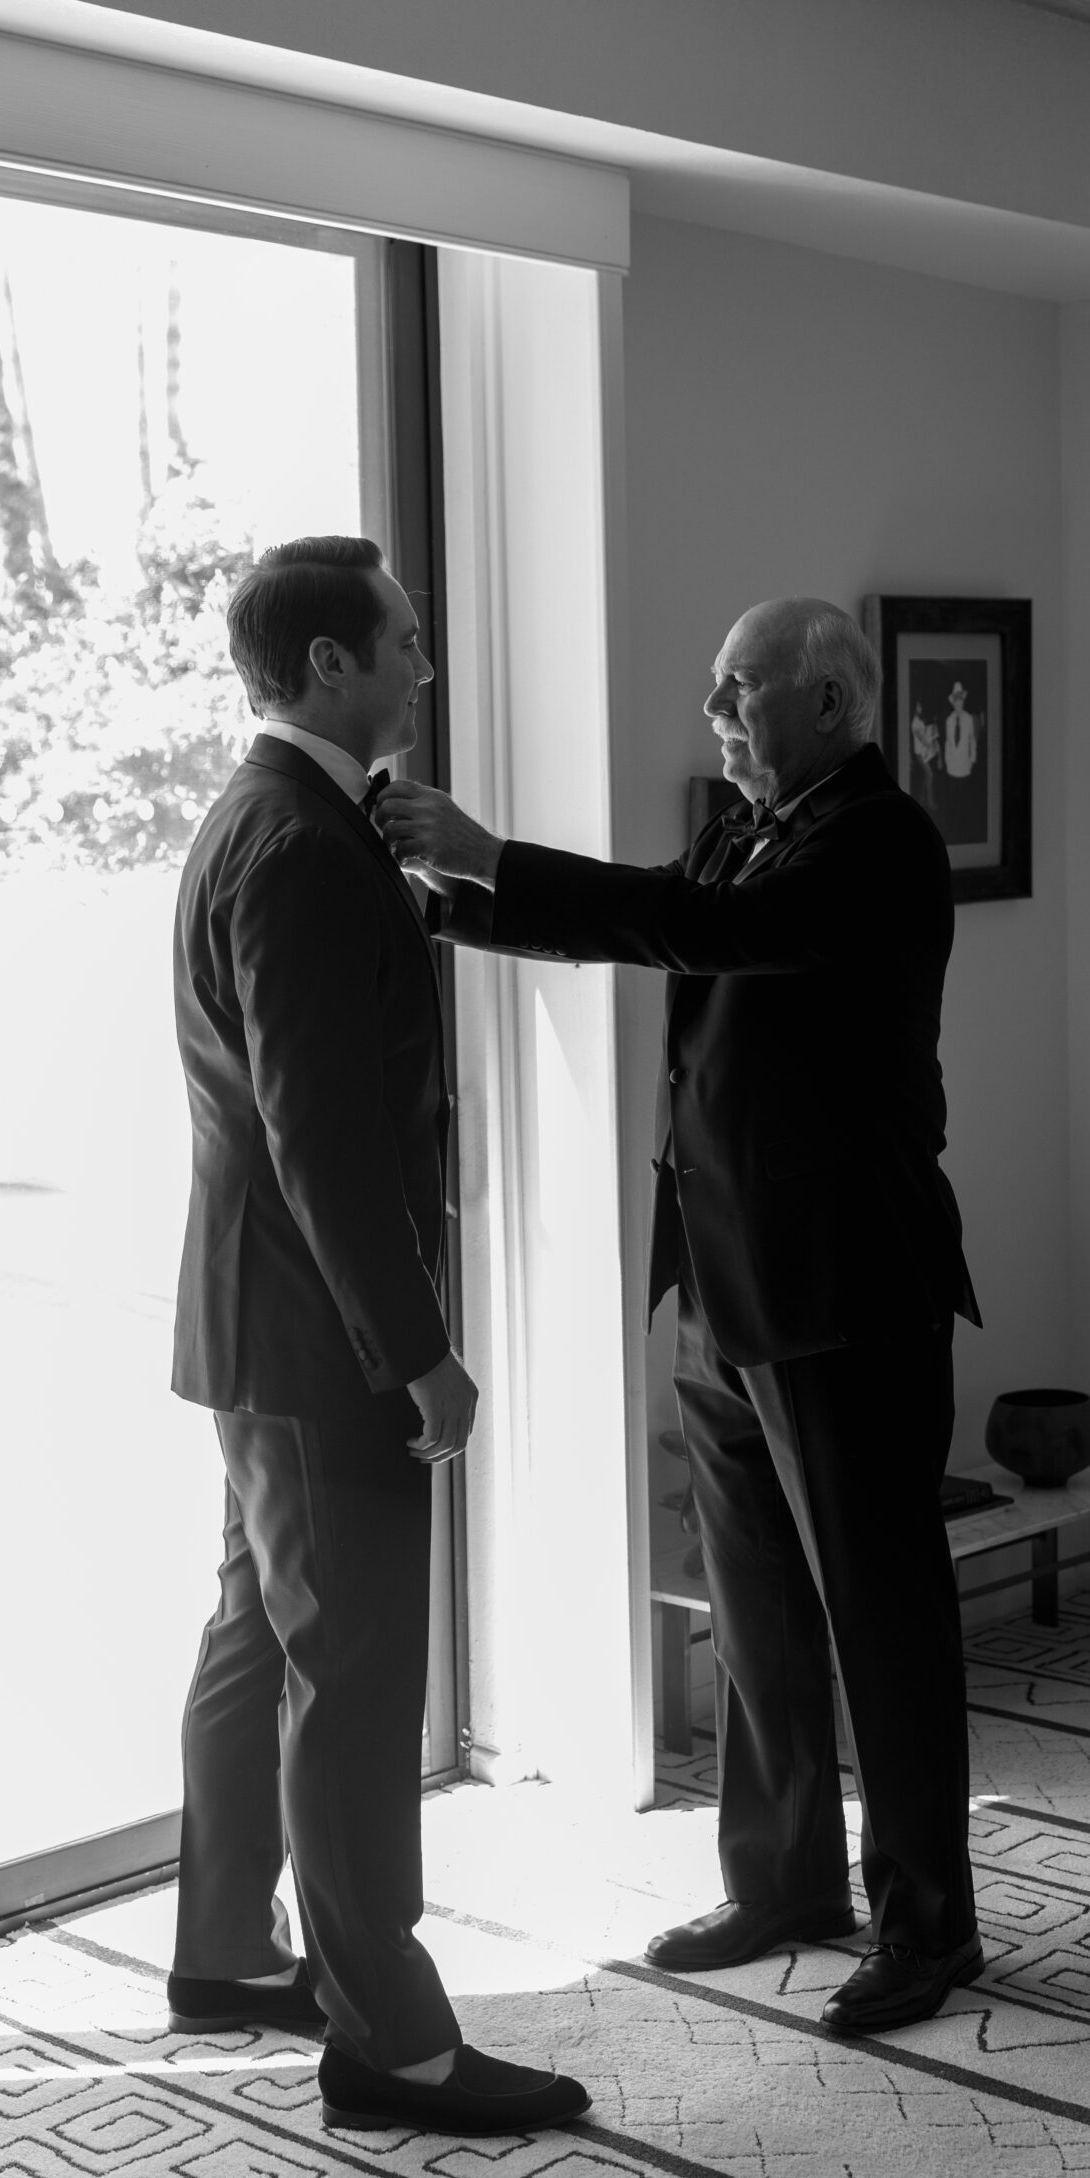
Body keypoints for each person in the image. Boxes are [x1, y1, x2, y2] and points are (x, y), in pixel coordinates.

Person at [376, 597, 984, 2036]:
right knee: (759, 1608)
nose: (715, 709)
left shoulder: (880, 843)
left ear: (832, 703)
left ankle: (930, 1925)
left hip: (847, 1288)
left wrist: (491, 853)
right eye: (716, 685)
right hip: (721, 1276)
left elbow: (712, 931)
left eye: (741, 688)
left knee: (883, 1620)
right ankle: (782, 1881)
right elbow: (662, 910)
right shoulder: (743, 820)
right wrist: (452, 905)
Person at [167, 534, 589, 2136]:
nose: (423, 663)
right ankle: (394, 2046)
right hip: (321, 1341)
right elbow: (320, 1135)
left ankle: (222, 1953)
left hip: (256, 1332)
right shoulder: (295, 848)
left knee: (256, 1638)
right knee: (348, 1684)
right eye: (404, 641)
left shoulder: (264, 818)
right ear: (333, 664)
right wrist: (417, 1349)